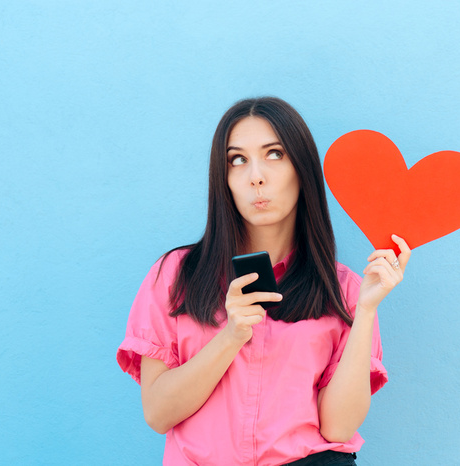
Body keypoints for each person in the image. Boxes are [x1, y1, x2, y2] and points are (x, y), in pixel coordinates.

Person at [117, 97, 411, 465]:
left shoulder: (346, 290)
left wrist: (366, 310)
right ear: (223, 179)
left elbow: (338, 428)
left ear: (301, 170)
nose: (256, 175)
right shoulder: (175, 276)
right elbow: (158, 414)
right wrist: (232, 335)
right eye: (237, 159)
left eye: (274, 154)